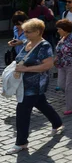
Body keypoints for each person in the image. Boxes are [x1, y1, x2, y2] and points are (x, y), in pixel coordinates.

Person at [6, 19, 63, 155]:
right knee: (42, 104)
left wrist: (25, 69)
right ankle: (57, 122)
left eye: (28, 32)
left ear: (38, 32)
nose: (24, 34)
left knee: (22, 111)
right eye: (24, 31)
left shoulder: (44, 46)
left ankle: (21, 142)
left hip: (35, 84)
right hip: (24, 84)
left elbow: (48, 65)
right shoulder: (29, 42)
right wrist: (17, 43)